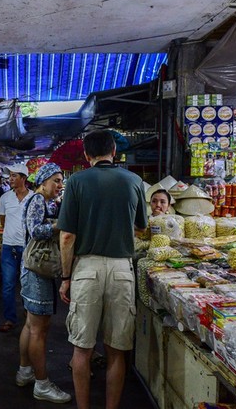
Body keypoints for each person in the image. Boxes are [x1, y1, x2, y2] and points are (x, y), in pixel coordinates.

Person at [57, 130, 147, 409]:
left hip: (87, 269)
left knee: (82, 349)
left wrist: (66, 277)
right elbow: (142, 227)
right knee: (117, 352)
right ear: (114, 152)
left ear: (87, 155)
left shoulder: (76, 182)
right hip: (122, 269)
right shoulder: (134, 181)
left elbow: (67, 237)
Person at [15, 163, 71, 403]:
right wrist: (62, 225)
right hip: (36, 270)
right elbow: (36, 230)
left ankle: (25, 371)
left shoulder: (40, 201)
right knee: (39, 328)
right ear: (44, 181)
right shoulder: (37, 200)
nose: (59, 186)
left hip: (32, 268)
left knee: (30, 325)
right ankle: (42, 384)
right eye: (56, 181)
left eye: (61, 181)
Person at [0, 163, 33, 332]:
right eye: (9, 176)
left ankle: (30, 315)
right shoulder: (5, 198)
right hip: (9, 247)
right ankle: (10, 318)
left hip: (28, 247)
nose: (10, 179)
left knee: (27, 283)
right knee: (8, 284)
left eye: (13, 176)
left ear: (23, 178)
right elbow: (2, 222)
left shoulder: (34, 197)